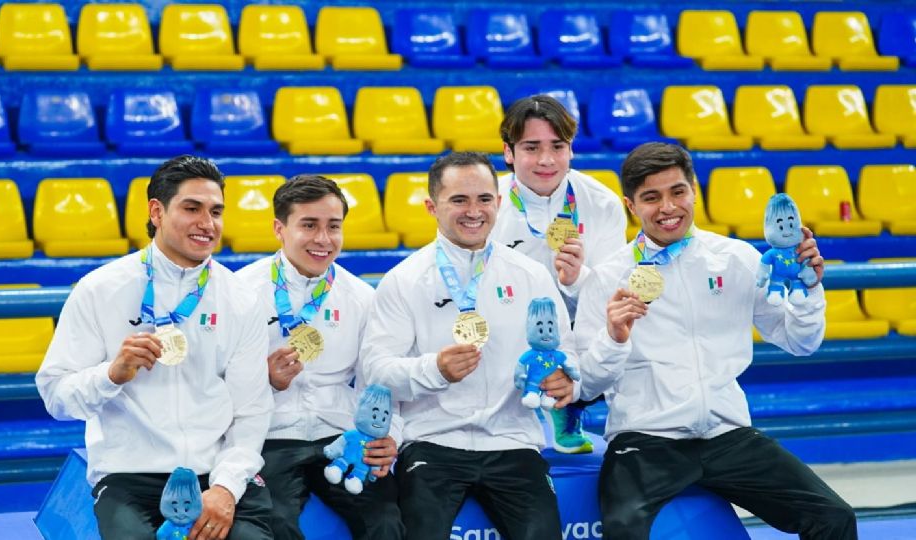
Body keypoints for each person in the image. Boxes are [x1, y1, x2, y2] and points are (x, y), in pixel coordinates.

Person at [574, 142, 857, 539]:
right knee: (624, 530)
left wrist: (808, 289)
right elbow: (587, 382)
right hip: (646, 439)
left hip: (727, 435)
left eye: (677, 192)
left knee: (834, 516)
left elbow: (800, 341)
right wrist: (614, 338)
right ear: (631, 206)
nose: (668, 207)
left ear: (693, 190)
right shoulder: (607, 278)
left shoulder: (736, 259)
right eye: (651, 198)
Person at [36, 155, 274, 540]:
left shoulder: (241, 299)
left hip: (212, 472)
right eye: (191, 208)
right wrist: (110, 375)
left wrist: (226, 487)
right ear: (156, 211)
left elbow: (252, 411)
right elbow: (56, 397)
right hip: (130, 473)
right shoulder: (100, 289)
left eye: (216, 211)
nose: (207, 223)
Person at [361, 151, 578, 540]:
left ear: (498, 202)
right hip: (433, 443)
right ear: (432, 206)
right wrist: (434, 370)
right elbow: (376, 372)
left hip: (514, 442)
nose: (473, 211)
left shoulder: (531, 276)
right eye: (459, 200)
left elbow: (566, 352)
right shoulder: (403, 280)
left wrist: (564, 380)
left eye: (483, 199)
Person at [235, 175, 403, 539]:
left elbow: (380, 381)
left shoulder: (361, 296)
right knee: (274, 521)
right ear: (280, 229)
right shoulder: (241, 292)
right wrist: (261, 380)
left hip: (341, 436)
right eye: (309, 225)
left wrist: (390, 434)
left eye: (334, 227)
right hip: (269, 438)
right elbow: (214, 382)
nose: (323, 239)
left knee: (386, 518)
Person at [492, 94, 628, 454]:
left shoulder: (602, 203)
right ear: (509, 152)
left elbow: (611, 292)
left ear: (571, 149)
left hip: (574, 319)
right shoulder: (488, 204)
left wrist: (578, 279)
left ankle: (570, 410)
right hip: (504, 319)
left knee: (617, 322)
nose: (546, 160)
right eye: (532, 147)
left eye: (557, 146)